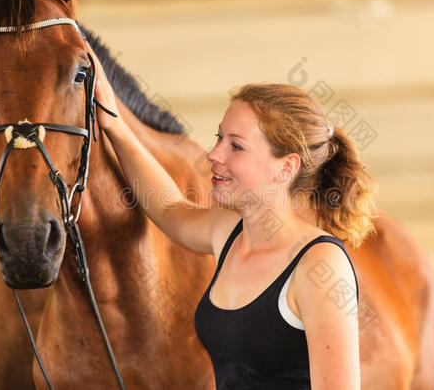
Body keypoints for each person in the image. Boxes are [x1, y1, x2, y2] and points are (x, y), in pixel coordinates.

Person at [91, 51, 377, 390]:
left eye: (236, 146)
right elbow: (168, 208)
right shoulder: (228, 231)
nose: (214, 155)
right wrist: (114, 124)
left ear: (285, 168)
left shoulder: (319, 264)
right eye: (218, 138)